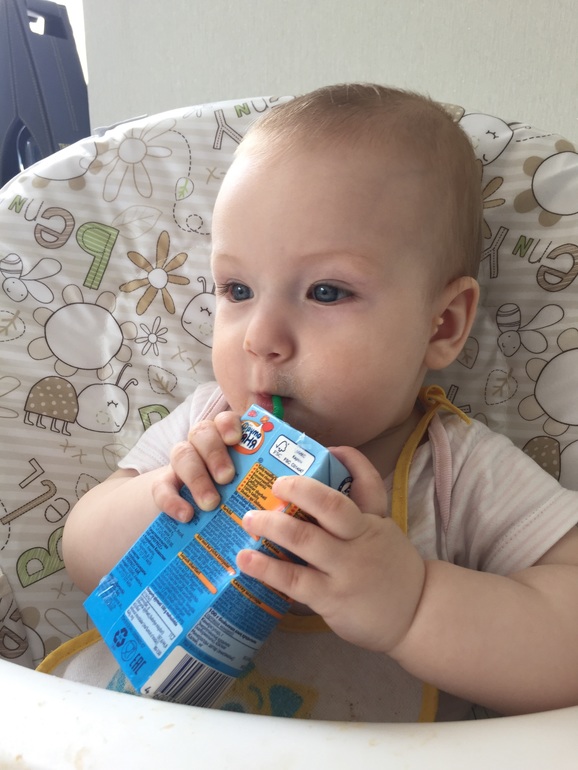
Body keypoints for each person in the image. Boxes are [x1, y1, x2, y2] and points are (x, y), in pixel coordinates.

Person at [61, 83, 578, 722]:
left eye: (327, 292)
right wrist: (163, 499)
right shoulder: (209, 426)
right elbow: (81, 554)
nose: (260, 338)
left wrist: (414, 605)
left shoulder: (458, 472)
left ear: (441, 325)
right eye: (237, 289)